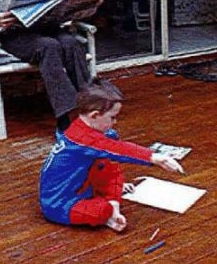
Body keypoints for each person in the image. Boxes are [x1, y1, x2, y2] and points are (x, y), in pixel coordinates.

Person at [39, 78, 184, 232]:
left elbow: (109, 146)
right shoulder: (81, 139)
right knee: (101, 211)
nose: (115, 122)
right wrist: (154, 157)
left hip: (83, 187)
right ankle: (108, 210)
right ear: (94, 115)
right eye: (112, 117)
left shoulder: (84, 130)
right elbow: (118, 149)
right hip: (60, 203)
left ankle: (112, 203)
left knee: (110, 166)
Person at [0, 0, 104, 131]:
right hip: (15, 34)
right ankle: (65, 119)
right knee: (48, 46)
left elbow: (67, 9)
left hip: (49, 28)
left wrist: (90, 4)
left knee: (71, 43)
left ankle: (92, 107)